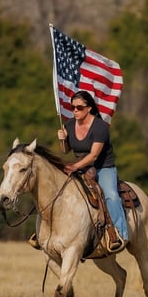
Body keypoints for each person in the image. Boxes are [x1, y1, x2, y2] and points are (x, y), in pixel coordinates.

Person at [57, 90, 127, 252]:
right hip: (81, 166)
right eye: (72, 107)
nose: (75, 110)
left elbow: (94, 156)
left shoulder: (100, 127)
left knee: (111, 195)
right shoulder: (68, 124)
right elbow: (65, 150)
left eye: (79, 107)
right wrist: (63, 140)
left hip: (103, 167)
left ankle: (120, 234)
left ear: (89, 108)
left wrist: (74, 167)